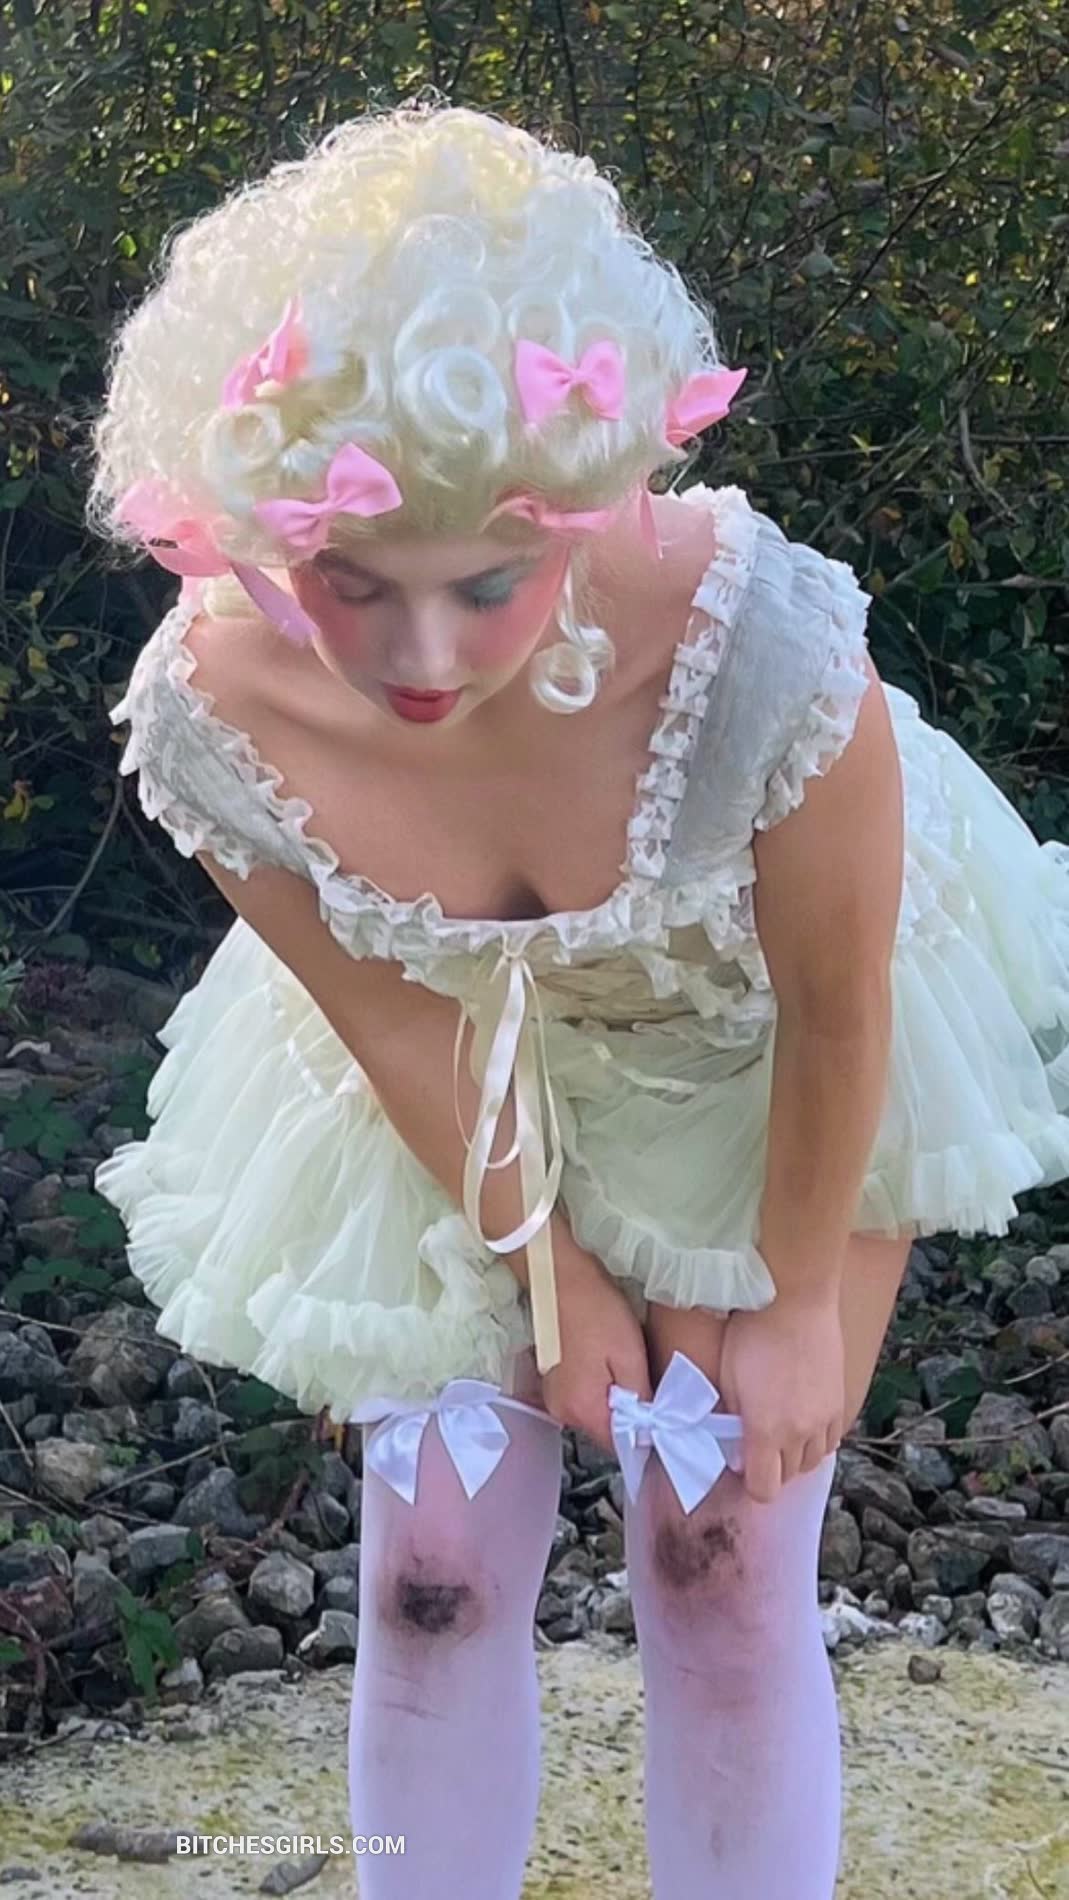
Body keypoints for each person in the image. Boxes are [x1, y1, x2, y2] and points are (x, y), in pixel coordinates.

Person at [87, 97, 1069, 1900]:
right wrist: (550, 1274)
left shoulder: (760, 644)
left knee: (720, 1558)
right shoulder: (212, 713)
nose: (420, 657)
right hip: (448, 1074)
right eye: (346, 585)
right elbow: (391, 1022)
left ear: (579, 503)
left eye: (488, 582)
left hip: (748, 1051)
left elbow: (835, 1005)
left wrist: (788, 1303)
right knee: (431, 1573)